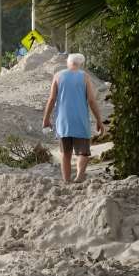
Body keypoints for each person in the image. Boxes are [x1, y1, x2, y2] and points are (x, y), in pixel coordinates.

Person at [43, 53, 105, 183]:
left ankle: (66, 180)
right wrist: (99, 120)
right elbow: (92, 101)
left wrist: (46, 119)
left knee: (65, 154)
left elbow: (52, 99)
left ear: (68, 63)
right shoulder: (85, 77)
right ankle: (79, 175)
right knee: (83, 152)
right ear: (80, 64)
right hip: (80, 120)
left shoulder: (58, 76)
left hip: (63, 121)